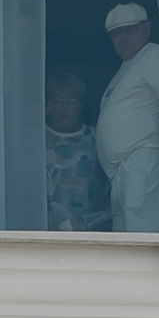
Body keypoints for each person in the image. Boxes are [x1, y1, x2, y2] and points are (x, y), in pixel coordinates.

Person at [95, 0, 159, 232]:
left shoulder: (153, 55)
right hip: (122, 172)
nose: (123, 38)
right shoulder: (128, 66)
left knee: (142, 233)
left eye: (130, 30)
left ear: (146, 28)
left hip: (144, 160)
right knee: (126, 238)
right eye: (116, 34)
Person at [44, 64, 109, 232]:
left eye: (72, 102)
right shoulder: (35, 138)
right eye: (58, 101)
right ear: (48, 105)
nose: (65, 108)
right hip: (45, 228)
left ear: (80, 106)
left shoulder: (95, 136)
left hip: (87, 227)